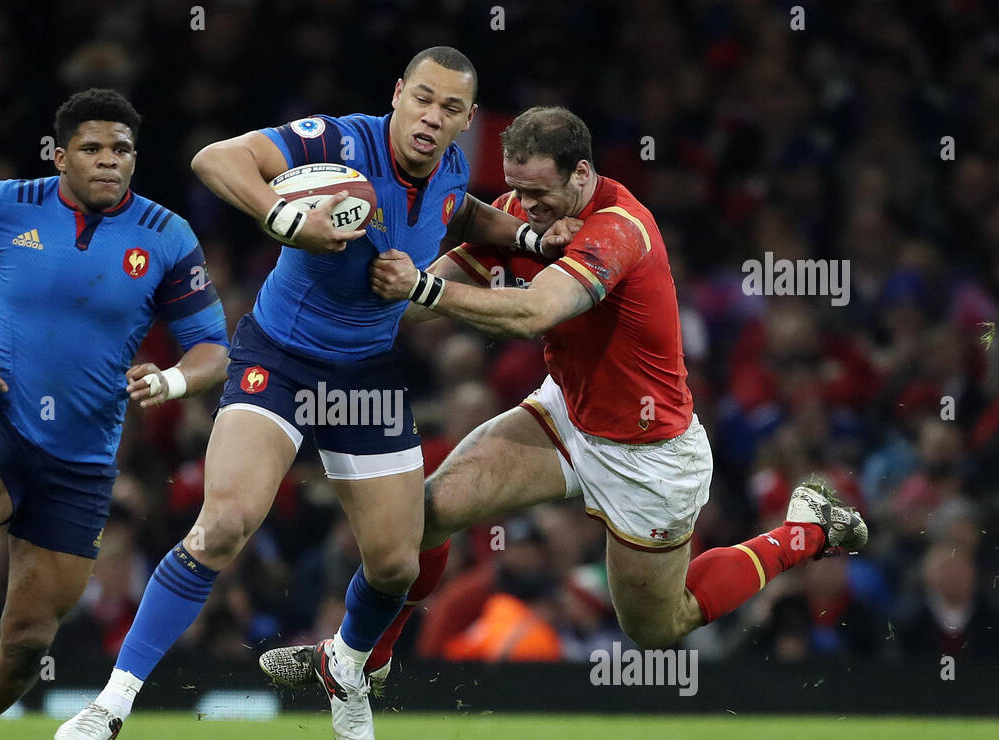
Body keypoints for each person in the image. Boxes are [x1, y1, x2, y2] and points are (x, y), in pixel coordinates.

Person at [56, 47, 564, 740]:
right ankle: (112, 700)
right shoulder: (340, 140)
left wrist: (527, 238)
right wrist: (285, 219)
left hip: (364, 377)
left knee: (396, 564)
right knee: (224, 525)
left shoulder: (451, 165)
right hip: (280, 360)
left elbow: (465, 211)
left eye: (450, 109)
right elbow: (214, 158)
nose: (431, 117)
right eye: (422, 99)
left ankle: (346, 668)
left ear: (467, 120)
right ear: (397, 93)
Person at [260, 105, 867, 694]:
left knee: (659, 625)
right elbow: (428, 298)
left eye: (539, 194)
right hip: (566, 416)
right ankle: (365, 662)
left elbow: (533, 312)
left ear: (582, 174)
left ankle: (807, 531)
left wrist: (419, 285)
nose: (526, 208)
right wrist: (361, 261)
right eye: (517, 191)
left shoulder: (620, 228)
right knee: (430, 514)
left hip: (649, 454)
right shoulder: (523, 214)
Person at [0, 88, 230, 740]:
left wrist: (174, 379)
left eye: (121, 150)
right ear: (60, 156)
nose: (108, 162)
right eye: (91, 149)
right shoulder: (5, 205)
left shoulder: (167, 235)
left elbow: (214, 348)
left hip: (83, 460)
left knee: (31, 639)